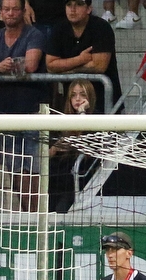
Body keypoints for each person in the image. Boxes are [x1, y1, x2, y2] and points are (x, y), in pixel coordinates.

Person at [46, 0, 122, 113]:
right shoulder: (59, 29)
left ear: (89, 9)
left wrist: (65, 69)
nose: (73, 9)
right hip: (72, 104)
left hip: (103, 103)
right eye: (69, 4)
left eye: (79, 4)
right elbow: (51, 66)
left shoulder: (101, 27)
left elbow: (99, 66)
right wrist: (80, 59)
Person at [0, 0, 47, 115]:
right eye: (6, 9)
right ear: (1, 12)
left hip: (33, 110)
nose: (10, 13)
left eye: (15, 9)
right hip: (3, 109)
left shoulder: (34, 34)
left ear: (23, 11)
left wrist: (0, 69)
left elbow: (30, 65)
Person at [47, 78, 96, 212]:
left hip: (77, 185)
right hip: (55, 183)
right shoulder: (60, 123)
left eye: (83, 95)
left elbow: (87, 150)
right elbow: (48, 153)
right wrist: (58, 146)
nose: (78, 99)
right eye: (73, 95)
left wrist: (82, 112)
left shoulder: (96, 122)